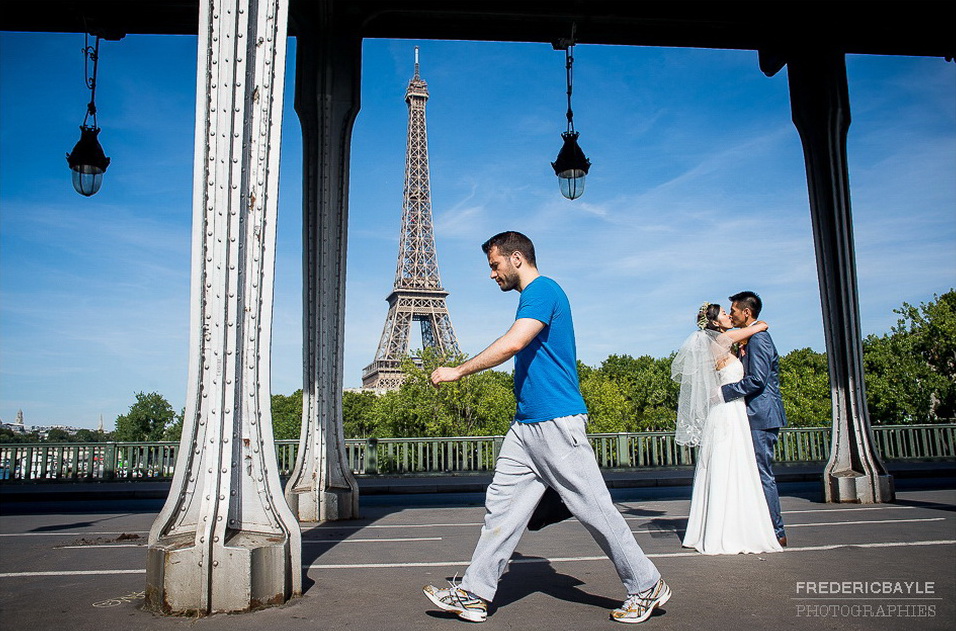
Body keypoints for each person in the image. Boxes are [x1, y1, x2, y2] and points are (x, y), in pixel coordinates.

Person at [422, 231, 669, 625]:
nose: (492, 274)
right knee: (500, 508)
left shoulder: (542, 290)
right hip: (526, 426)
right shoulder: (531, 296)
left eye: (494, 264)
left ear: (516, 258)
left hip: (555, 421)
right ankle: (474, 592)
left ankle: (646, 584)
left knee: (595, 509)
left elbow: (514, 344)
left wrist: (459, 370)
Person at [672, 302, 783, 555]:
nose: (728, 316)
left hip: (732, 411)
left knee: (733, 468)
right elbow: (754, 330)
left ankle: (727, 524)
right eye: (724, 313)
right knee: (731, 468)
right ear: (714, 322)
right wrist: (760, 325)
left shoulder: (723, 342)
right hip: (727, 410)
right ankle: (735, 529)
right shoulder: (720, 341)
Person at [719, 291, 788, 547]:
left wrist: (724, 393)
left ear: (746, 312)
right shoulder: (749, 338)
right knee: (754, 473)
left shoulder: (760, 339)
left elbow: (757, 380)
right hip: (752, 414)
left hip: (762, 415)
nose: (732, 314)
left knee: (762, 474)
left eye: (734, 310)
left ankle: (776, 531)